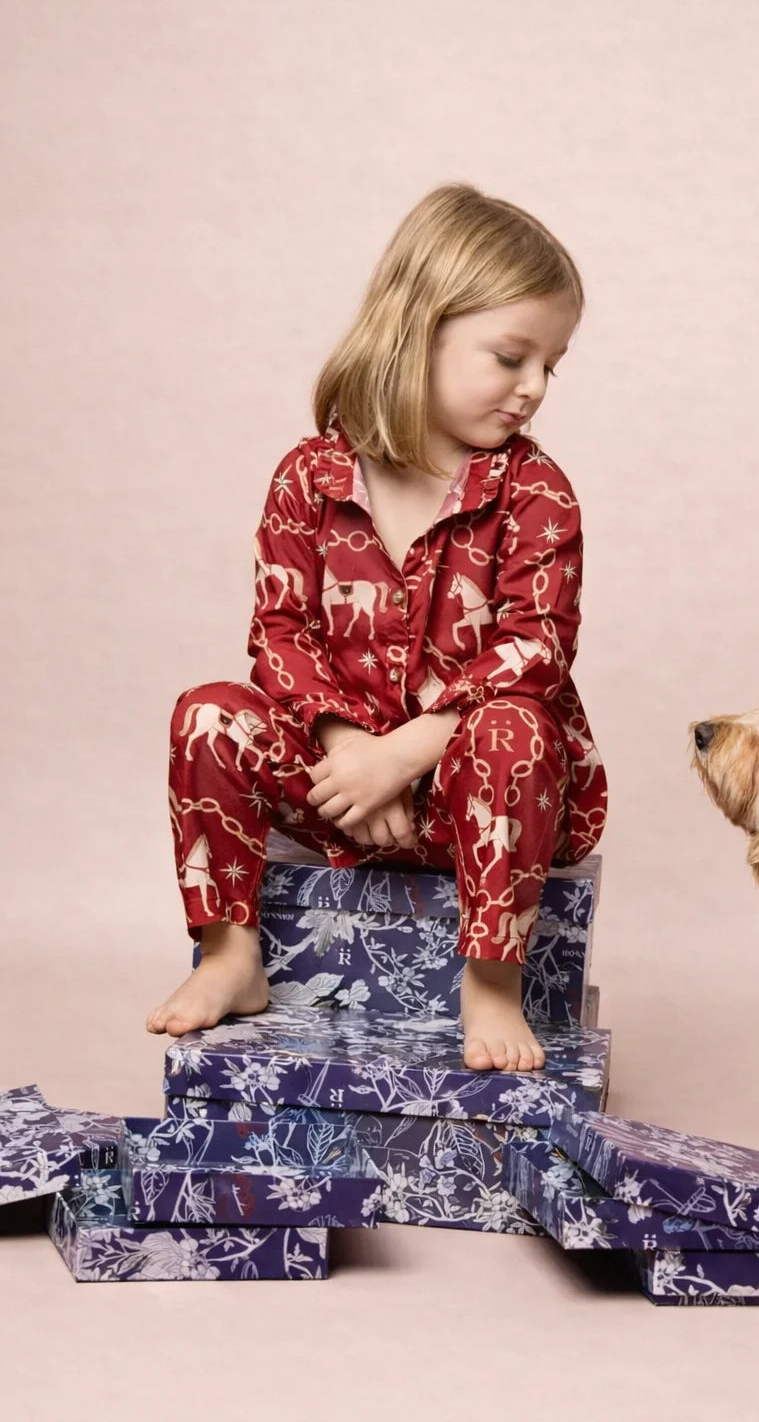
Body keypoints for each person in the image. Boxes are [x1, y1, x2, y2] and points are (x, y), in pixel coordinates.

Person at [146, 182, 607, 1072]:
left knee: (515, 728)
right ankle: (232, 953)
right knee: (208, 712)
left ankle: (491, 978)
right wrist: (351, 747)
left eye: (552, 365)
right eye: (512, 356)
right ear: (418, 328)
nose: (536, 387)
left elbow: (537, 651)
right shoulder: (308, 478)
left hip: (478, 793)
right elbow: (278, 632)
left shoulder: (535, 494)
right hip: (337, 786)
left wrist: (406, 753)